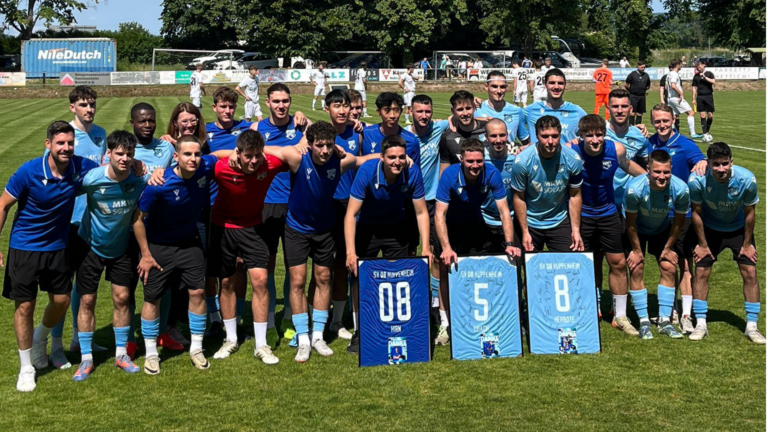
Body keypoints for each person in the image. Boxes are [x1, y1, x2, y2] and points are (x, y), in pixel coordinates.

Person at [262, 121, 376, 363]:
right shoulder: (296, 157)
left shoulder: (339, 161)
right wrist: (297, 143)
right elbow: (262, 148)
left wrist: (393, 156)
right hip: (296, 229)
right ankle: (303, 338)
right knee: (297, 281)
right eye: (320, 145)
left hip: (325, 230)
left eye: (329, 145)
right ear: (311, 144)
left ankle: (318, 336)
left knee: (323, 278)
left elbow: (364, 159)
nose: (325, 150)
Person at [1, 121, 99, 392]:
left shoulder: (80, 167)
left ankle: (39, 337)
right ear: (48, 145)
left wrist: (138, 166)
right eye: (60, 143)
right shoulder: (29, 171)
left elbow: (110, 169)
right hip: (25, 247)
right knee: (25, 306)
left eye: (70, 143)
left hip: (57, 247)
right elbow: (3, 205)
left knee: (62, 301)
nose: (66, 148)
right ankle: (26, 368)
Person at [133, 136, 217, 375]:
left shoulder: (205, 167)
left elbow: (219, 156)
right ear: (176, 157)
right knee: (153, 299)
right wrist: (145, 254)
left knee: (198, 292)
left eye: (197, 154)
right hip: (159, 247)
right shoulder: (159, 184)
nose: (193, 159)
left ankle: (197, 349)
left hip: (190, 244)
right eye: (187, 154)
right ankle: (151, 353)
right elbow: (137, 219)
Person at [69, 131, 150, 381]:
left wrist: (157, 170)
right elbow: (63, 192)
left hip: (121, 246)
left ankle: (121, 354)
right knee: (86, 300)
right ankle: (86, 358)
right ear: (109, 154)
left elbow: (160, 185)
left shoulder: (139, 180)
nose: (124, 158)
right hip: (90, 246)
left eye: (129, 154)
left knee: (122, 298)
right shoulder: (92, 179)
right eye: (119, 153)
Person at [344, 135, 433, 354]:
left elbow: (421, 212)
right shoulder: (367, 171)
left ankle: (398, 326)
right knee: (360, 279)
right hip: (367, 228)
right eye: (392, 157)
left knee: (399, 276)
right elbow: (351, 214)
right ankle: (360, 331)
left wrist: (426, 247)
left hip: (396, 227)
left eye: (401, 157)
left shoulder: (412, 172)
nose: (397, 162)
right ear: (382, 157)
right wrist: (350, 252)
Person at [206, 130, 288, 364]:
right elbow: (205, 158)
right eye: (248, 156)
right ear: (238, 153)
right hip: (223, 227)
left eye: (257, 155)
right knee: (226, 282)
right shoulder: (221, 168)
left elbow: (292, 155)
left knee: (260, 281)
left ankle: (261, 344)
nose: (253, 161)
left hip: (254, 228)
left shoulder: (269, 164)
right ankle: (230, 339)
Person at [435, 138, 521, 343]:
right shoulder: (449, 175)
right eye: (470, 161)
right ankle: (445, 324)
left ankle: (475, 317)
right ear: (461, 159)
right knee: (446, 272)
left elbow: (504, 211)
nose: (475, 166)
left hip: (474, 223)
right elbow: (439, 215)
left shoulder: (491, 173)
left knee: (476, 272)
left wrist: (510, 244)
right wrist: (446, 247)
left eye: (479, 161)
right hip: (449, 225)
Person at [570, 115, 646, 336]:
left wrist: (649, 177)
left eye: (599, 135)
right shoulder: (571, 151)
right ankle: (590, 310)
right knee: (586, 264)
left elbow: (627, 165)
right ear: (581, 135)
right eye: (589, 135)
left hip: (608, 214)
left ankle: (620, 316)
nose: (595, 140)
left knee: (618, 263)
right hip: (582, 216)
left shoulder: (617, 149)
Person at [51, 86, 108, 368]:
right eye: (84, 105)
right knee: (61, 287)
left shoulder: (101, 134)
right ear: (72, 107)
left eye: (92, 104)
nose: (89, 109)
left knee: (84, 286)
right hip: (68, 220)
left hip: (92, 220)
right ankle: (55, 345)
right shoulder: (66, 137)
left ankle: (78, 337)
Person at [688, 142, 765, 344]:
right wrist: (702, 244)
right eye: (716, 164)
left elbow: (750, 213)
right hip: (710, 229)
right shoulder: (696, 180)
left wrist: (747, 244)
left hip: (738, 229)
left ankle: (752, 327)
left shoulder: (747, 179)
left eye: (725, 164)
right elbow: (696, 212)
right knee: (701, 272)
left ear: (732, 162)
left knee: (750, 272)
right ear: (708, 163)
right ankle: (701, 324)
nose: (721, 169)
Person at [649, 103, 708, 333]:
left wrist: (702, 161)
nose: (662, 124)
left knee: (684, 264)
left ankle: (686, 314)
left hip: (682, 214)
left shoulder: (685, 144)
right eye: (657, 121)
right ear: (652, 122)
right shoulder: (650, 143)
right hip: (658, 214)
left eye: (666, 120)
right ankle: (670, 308)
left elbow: (700, 161)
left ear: (674, 119)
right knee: (665, 263)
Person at [623, 149, 690, 340]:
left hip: (661, 228)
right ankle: (644, 322)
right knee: (636, 267)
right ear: (648, 169)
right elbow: (630, 224)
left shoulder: (681, 189)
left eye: (666, 172)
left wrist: (668, 248)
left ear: (671, 170)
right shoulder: (634, 189)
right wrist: (636, 250)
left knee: (669, 267)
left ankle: (664, 321)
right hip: (636, 229)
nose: (662, 176)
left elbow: (678, 223)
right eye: (657, 172)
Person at [259, 83, 307, 344]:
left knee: (293, 265)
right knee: (266, 265)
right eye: (276, 101)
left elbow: (321, 134)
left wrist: (304, 122)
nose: (281, 105)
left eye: (285, 101)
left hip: (295, 204)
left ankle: (289, 318)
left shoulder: (301, 126)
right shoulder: (257, 128)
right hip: (266, 204)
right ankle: (267, 321)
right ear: (267, 102)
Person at [511, 116, 584, 252]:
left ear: (560, 135)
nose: (550, 141)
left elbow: (575, 195)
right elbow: (519, 197)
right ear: (536, 135)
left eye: (555, 136)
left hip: (559, 220)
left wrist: (575, 230)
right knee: (527, 264)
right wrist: (525, 231)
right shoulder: (522, 162)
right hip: (530, 221)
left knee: (569, 263)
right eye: (545, 136)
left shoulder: (573, 159)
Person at [409, 94, 450, 329]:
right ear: (411, 112)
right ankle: (412, 298)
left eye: (427, 111)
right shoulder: (405, 136)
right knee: (409, 250)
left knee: (435, 252)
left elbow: (461, 118)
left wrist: (481, 107)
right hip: (409, 201)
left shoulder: (439, 127)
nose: (424, 116)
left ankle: (435, 302)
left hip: (433, 200)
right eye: (419, 111)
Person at [480, 119, 519, 252]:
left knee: (515, 261)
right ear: (486, 137)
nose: (498, 140)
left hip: (512, 220)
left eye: (502, 135)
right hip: (484, 220)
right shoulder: (479, 160)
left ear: (507, 135)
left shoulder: (517, 158)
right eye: (493, 136)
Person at [525, 68, 587, 144]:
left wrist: (579, 140)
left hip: (567, 152)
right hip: (538, 152)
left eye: (560, 83)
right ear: (545, 84)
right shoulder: (531, 110)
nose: (556, 87)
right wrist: (525, 143)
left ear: (565, 85)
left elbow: (592, 133)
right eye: (552, 83)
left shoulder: (577, 111)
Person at [474, 70, 531, 154]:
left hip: (509, 160)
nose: (499, 91)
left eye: (502, 87)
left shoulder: (516, 111)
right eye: (494, 86)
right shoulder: (475, 109)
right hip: (482, 161)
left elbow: (525, 140)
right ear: (486, 86)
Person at [361, 92, 421, 166]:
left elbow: (415, 170)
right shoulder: (365, 134)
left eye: (396, 110)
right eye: (387, 110)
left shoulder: (411, 140)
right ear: (379, 112)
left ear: (401, 111)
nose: (392, 115)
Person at [439, 90, 487, 169]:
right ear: (453, 111)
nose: (465, 113)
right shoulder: (447, 137)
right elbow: (444, 171)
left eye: (468, 108)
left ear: (474, 108)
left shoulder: (487, 129)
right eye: (460, 109)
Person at [666, 60, 702, 139]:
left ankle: (672, 134)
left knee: (674, 116)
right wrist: (680, 93)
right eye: (680, 64)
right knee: (691, 112)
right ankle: (693, 133)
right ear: (677, 65)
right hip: (676, 98)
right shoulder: (674, 74)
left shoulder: (669, 74)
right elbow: (673, 85)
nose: (681, 66)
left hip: (670, 98)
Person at [692, 61, 716, 142]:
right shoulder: (696, 76)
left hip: (708, 96)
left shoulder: (709, 73)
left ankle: (707, 131)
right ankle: (704, 133)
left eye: (699, 67)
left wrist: (704, 77)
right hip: (700, 97)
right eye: (697, 68)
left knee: (710, 115)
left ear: (703, 65)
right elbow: (694, 87)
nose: (699, 69)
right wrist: (693, 98)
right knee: (702, 115)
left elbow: (713, 81)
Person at [624, 61, 651, 126]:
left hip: (642, 96)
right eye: (642, 67)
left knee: (640, 113)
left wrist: (642, 90)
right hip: (633, 96)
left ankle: (638, 128)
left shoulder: (646, 75)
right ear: (638, 66)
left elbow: (648, 86)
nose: (643, 68)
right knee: (632, 112)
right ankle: (631, 127)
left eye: (644, 67)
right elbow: (626, 85)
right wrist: (631, 90)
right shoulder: (632, 74)